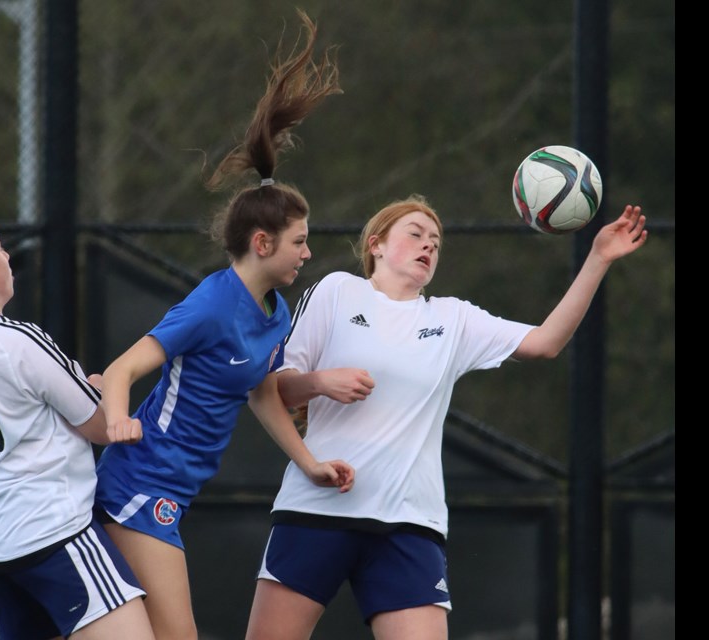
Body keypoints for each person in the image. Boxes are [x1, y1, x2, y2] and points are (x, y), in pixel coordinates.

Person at [243, 195, 649, 640]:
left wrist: (597, 259)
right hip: (315, 511)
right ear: (376, 245)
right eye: (415, 235)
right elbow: (274, 391)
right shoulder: (338, 290)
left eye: (435, 242)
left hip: (410, 525)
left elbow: (545, 342)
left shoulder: (452, 318)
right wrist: (322, 382)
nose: (428, 247)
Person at [93, 10, 353, 640]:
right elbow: (125, 368)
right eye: (299, 242)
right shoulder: (211, 306)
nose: (308, 254)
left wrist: (310, 461)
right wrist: (119, 416)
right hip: (138, 484)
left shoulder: (276, 311)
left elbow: (261, 391)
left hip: (171, 495)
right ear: (262, 243)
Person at [0, 209, 155, 640]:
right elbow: (98, 425)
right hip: (52, 533)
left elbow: (16, 413)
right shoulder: (15, 339)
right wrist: (100, 387)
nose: (8, 258)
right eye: (1, 249)